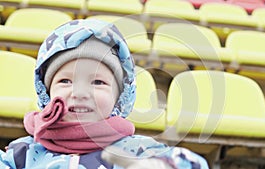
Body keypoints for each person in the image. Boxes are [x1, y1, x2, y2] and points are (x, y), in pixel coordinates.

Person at [0, 19, 209, 169]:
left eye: (97, 82)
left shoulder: (137, 151)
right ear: (46, 92)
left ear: (119, 98)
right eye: (65, 81)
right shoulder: (23, 153)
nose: (80, 93)